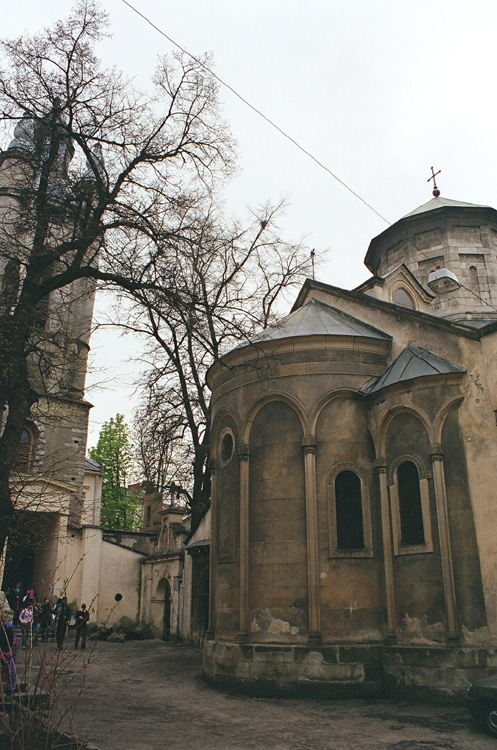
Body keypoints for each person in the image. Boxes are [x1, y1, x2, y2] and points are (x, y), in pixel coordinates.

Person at [0, 609, 17, 693]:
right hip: (2, 650)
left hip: (8, 650)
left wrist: (9, 651)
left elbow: (12, 640)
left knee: (10, 669)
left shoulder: (8, 626)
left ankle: (11, 688)